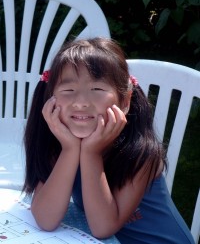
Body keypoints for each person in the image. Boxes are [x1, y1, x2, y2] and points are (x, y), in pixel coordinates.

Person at [22, 37, 195, 244]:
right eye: (68, 90)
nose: (81, 103)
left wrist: (90, 153)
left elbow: (103, 227)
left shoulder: (142, 153)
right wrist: (70, 149)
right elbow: (45, 219)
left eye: (97, 90)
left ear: (125, 100)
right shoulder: (59, 146)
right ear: (50, 98)